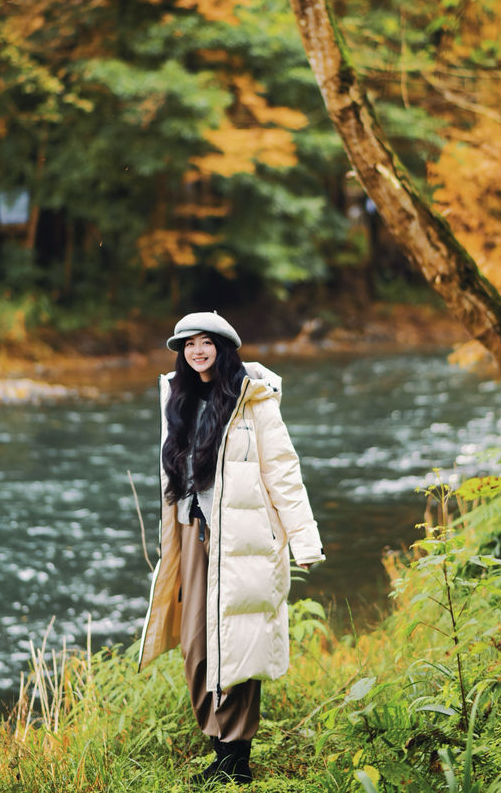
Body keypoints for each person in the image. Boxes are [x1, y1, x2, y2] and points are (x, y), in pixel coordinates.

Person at [137, 311, 325, 785]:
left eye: (206, 342)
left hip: (243, 539)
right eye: (188, 344)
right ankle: (219, 741)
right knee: (197, 649)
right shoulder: (176, 397)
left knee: (239, 643)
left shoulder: (254, 399)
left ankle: (233, 759)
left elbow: (283, 470)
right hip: (193, 535)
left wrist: (304, 538)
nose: (197, 351)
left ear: (224, 347)